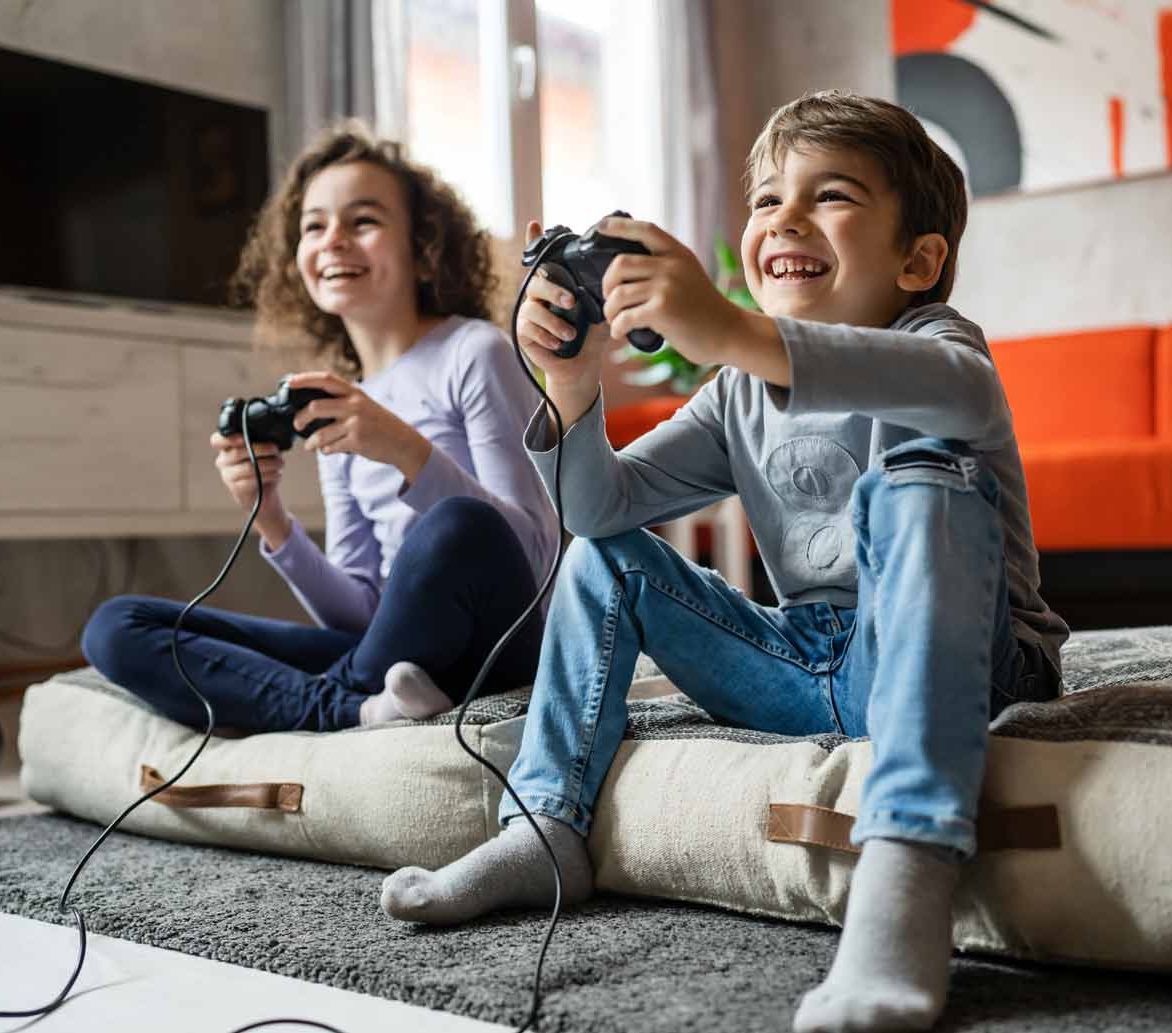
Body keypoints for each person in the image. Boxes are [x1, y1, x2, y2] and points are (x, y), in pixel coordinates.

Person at [378, 90, 1070, 1033]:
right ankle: (545, 825)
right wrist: (574, 384)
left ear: (918, 260)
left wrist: (732, 329)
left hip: (979, 668)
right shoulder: (737, 391)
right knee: (607, 558)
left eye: (830, 195)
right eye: (766, 200)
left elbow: (957, 393)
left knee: (920, 480)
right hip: (810, 664)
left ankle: (907, 861)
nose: (784, 217)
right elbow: (598, 509)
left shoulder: (938, 343)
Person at [81, 124, 555, 733]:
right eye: (314, 226)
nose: (333, 240)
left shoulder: (475, 352)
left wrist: (404, 449)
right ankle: (354, 710)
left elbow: (534, 557)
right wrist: (271, 518)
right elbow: (356, 617)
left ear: (424, 247)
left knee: (458, 524)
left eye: (363, 220)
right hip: (393, 664)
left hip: (494, 648)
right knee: (117, 626)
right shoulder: (342, 399)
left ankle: (321, 703)